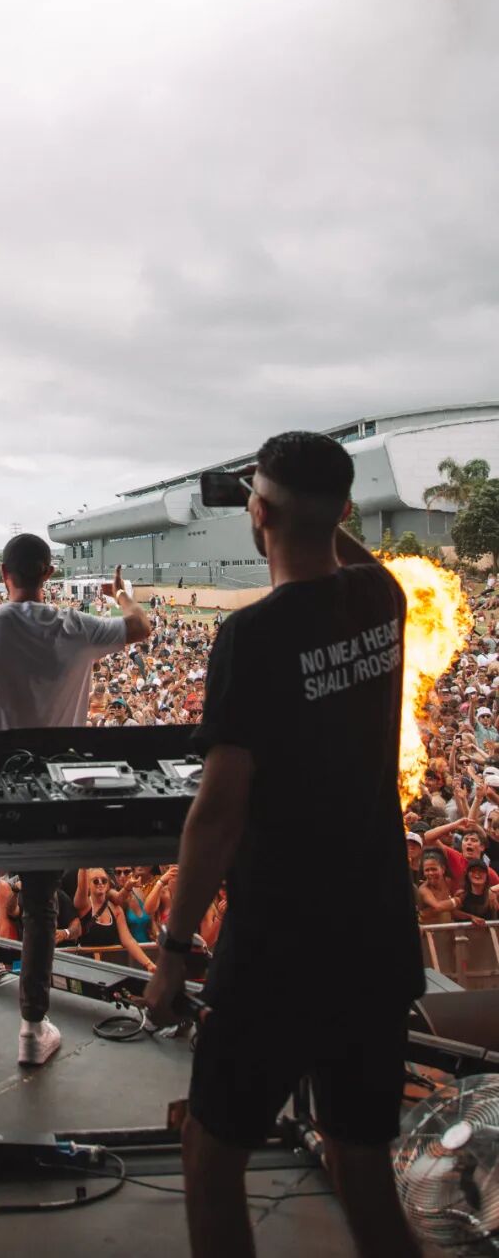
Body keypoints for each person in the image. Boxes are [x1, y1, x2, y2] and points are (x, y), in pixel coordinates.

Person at [143, 431, 425, 1258]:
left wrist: (172, 949)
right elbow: (347, 550)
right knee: (362, 1163)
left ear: (257, 514)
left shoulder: (253, 636)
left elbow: (218, 811)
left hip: (280, 945)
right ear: (345, 511)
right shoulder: (384, 598)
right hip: (377, 935)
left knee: (210, 1153)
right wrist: (306, 507)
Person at [0, 534, 150, 1065]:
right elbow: (141, 626)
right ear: (48, 574)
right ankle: (34, 1029)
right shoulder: (77, 627)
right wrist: (121, 595)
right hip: (55, 784)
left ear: (3, 573)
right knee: (40, 904)